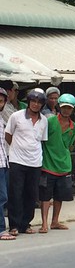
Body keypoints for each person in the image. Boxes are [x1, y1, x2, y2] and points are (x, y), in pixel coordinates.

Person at [5, 89, 49, 235]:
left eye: (39, 102)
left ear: (42, 105)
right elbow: (8, 135)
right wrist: (16, 149)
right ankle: (14, 225)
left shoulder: (44, 121)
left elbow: (41, 141)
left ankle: (26, 224)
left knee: (31, 195)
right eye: (33, 101)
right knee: (15, 193)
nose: (36, 105)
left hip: (35, 162)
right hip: (17, 161)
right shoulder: (16, 116)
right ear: (29, 101)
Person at [39, 93, 75, 233]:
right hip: (48, 164)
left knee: (59, 195)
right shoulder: (50, 122)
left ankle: (55, 221)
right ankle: (44, 223)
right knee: (45, 196)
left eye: (69, 108)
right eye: (64, 107)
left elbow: (71, 145)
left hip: (64, 165)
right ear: (59, 107)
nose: (67, 110)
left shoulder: (73, 127)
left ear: (73, 109)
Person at [0, 88, 13, 240]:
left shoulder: (2, 118)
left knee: (3, 197)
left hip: (3, 162)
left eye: (1, 101)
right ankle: (1, 229)